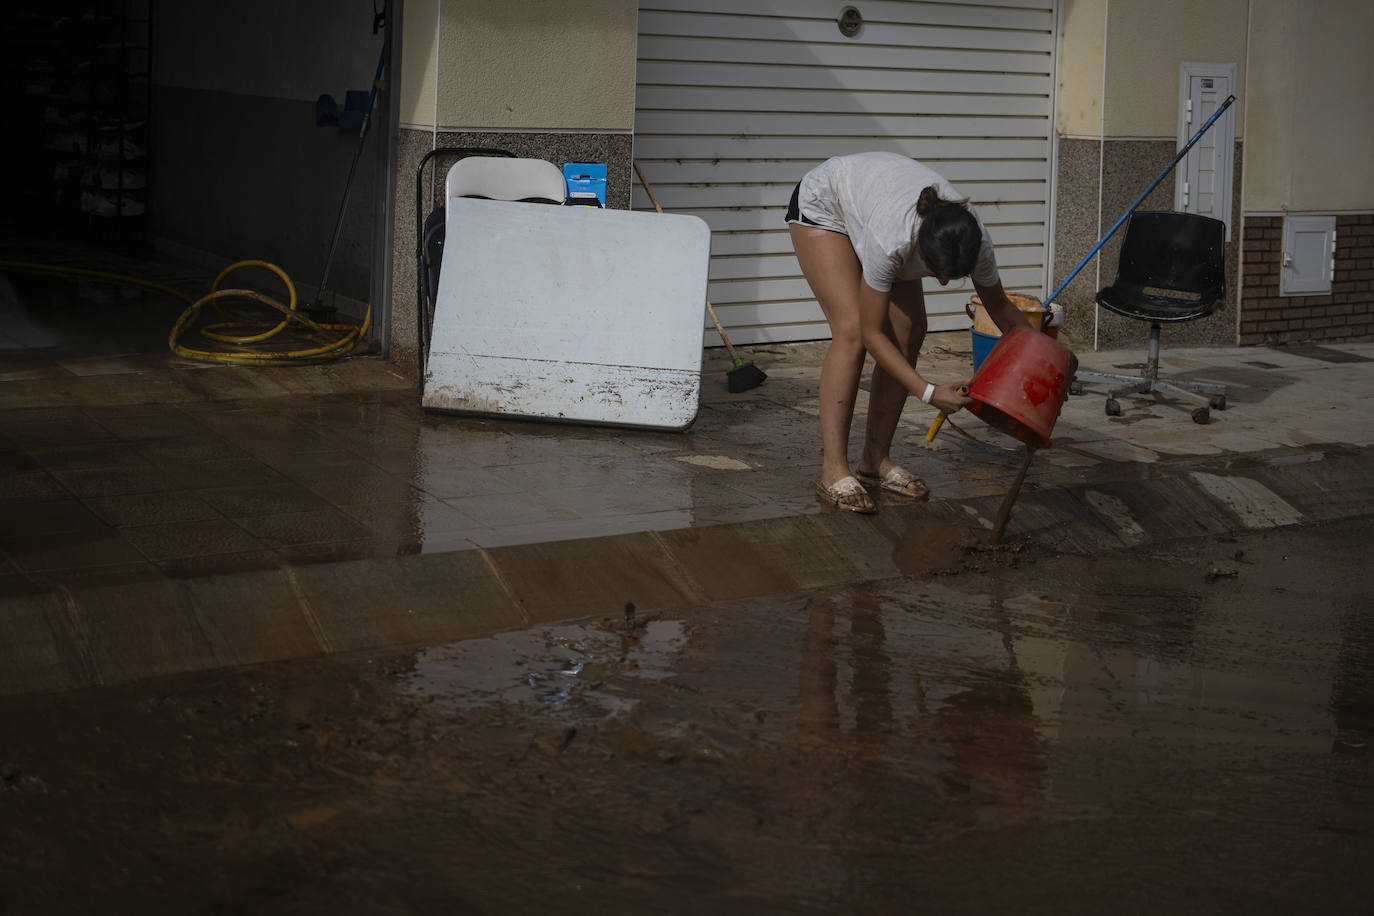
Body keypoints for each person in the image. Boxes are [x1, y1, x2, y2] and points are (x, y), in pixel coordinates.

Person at [786, 151, 1037, 514]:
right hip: (825, 206)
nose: (945, 281)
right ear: (919, 248)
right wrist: (929, 392)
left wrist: (1046, 364)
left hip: (874, 202)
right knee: (853, 332)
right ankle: (833, 470)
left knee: (911, 330)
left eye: (954, 276)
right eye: (936, 272)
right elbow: (873, 333)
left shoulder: (973, 238)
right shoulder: (892, 240)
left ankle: (874, 460)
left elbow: (999, 307)